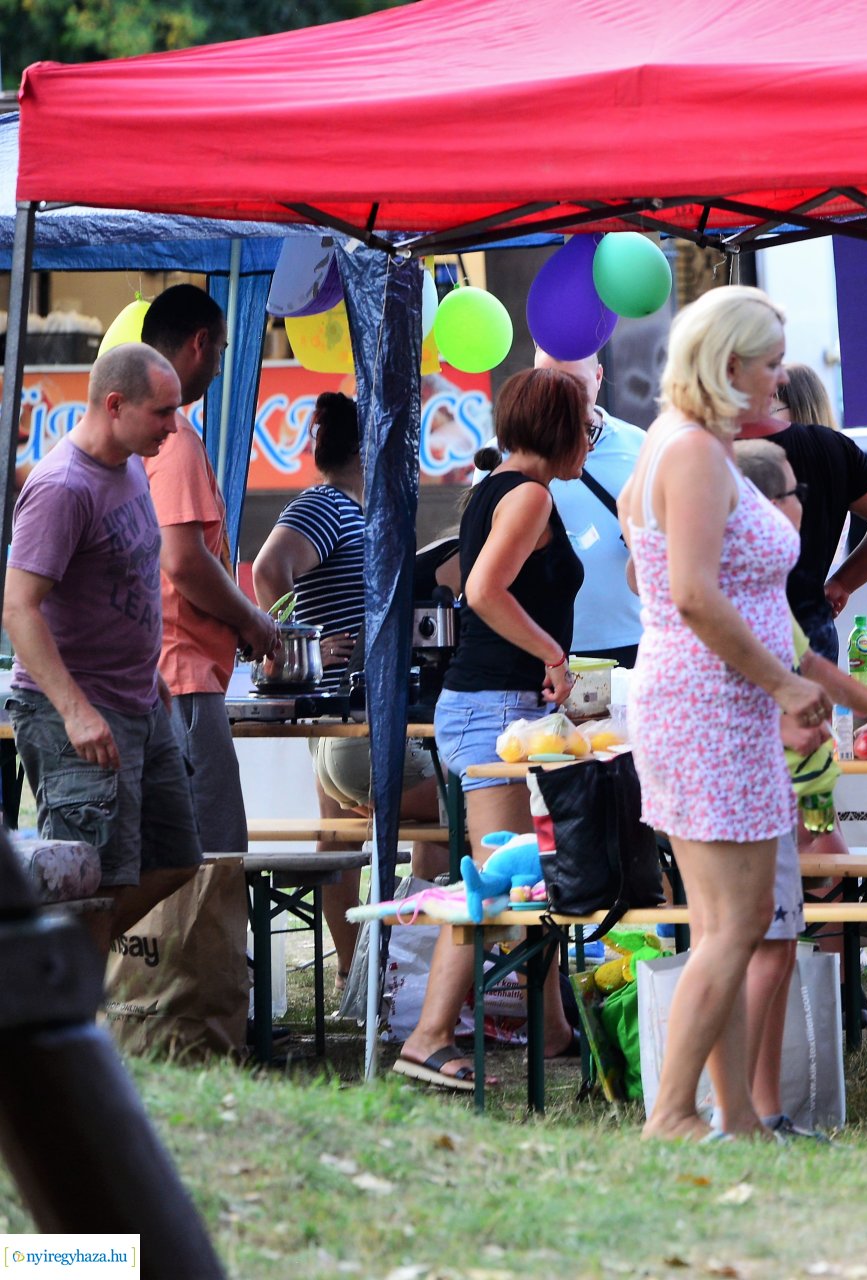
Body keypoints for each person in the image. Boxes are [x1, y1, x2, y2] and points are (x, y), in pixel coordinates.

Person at [616, 285, 831, 1141]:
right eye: (770, 362)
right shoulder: (695, 452)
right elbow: (694, 596)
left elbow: (660, 587)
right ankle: (672, 1113)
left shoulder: (672, 443)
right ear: (728, 361)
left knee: (725, 926)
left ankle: (734, 1114)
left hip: (694, 696)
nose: (780, 380)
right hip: (708, 703)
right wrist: (780, 684)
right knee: (736, 924)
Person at [395, 368, 589, 1091]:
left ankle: (553, 1025)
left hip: (498, 706)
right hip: (493, 707)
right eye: (585, 426)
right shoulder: (531, 494)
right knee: (497, 879)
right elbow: (481, 592)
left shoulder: (496, 488)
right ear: (561, 430)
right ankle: (429, 1036)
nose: (589, 440)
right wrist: (551, 652)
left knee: (523, 874)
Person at [732, 440, 867, 1136]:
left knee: (773, 948)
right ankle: (728, 1113)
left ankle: (760, 1110)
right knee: (749, 949)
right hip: (752, 795)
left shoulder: (759, 591)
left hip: (778, 796)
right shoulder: (730, 592)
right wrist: (784, 726)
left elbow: (804, 659)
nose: (802, 506)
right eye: (791, 494)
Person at [3, 344, 200, 953]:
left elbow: (125, 583)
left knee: (176, 857)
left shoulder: (132, 462)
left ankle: (50, 966)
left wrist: (150, 673)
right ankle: (54, 1006)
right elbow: (18, 607)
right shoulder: (62, 486)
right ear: (114, 405)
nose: (173, 425)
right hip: (79, 715)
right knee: (91, 882)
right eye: (162, 412)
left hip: (139, 702)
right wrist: (74, 709)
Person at [250, 392, 446, 978]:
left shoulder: (357, 511)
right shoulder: (326, 504)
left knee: (337, 851)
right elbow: (266, 570)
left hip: (340, 724)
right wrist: (288, 639)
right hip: (354, 728)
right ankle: (407, 973)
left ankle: (352, 978)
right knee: (455, 814)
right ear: (369, 448)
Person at [142, 283, 277, 856]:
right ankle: (210, 953)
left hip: (166, 674)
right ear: (200, 343)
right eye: (221, 350)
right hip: (182, 679)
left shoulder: (151, 436)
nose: (221, 365)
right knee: (215, 859)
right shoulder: (173, 440)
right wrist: (251, 620)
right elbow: (184, 561)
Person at [474, 348, 646, 666]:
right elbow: (484, 572)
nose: (562, 397)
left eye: (574, 385)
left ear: (598, 378)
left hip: (631, 637)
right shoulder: (498, 457)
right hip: (541, 648)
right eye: (549, 384)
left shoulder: (640, 445)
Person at [741, 362, 867, 663]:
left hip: (754, 645)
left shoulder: (705, 449)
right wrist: (843, 583)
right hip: (807, 633)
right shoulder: (829, 449)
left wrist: (843, 582)